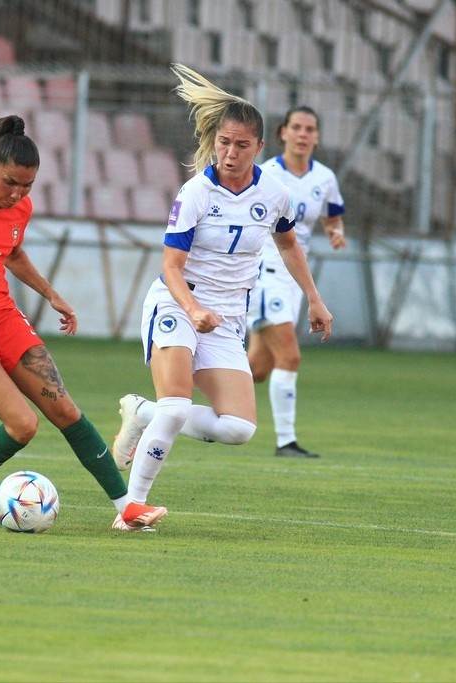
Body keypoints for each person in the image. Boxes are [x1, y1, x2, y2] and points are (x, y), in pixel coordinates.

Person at [0, 114, 166, 531]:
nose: (18, 194)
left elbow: (13, 253)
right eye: (10, 183)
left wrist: (51, 294)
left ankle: (127, 507)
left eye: (27, 186)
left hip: (3, 316)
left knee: (66, 411)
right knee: (22, 424)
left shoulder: (20, 207)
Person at [109, 65, 333, 508]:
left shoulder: (273, 195)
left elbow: (288, 246)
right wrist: (192, 309)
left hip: (228, 315)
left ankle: (142, 413)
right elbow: (171, 266)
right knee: (175, 407)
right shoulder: (195, 193)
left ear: (260, 147)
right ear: (215, 141)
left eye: (241, 145)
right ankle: (131, 506)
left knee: (239, 429)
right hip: (178, 303)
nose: (230, 153)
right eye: (224, 142)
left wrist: (314, 298)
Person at [247, 106, 346, 458]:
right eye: (297, 128)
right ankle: (285, 442)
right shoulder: (265, 173)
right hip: (265, 273)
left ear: (317, 137)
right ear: (283, 133)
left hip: (294, 279)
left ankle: (169, 408)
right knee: (289, 356)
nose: (303, 134)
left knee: (256, 370)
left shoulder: (325, 178)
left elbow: (333, 216)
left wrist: (335, 233)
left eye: (310, 129)